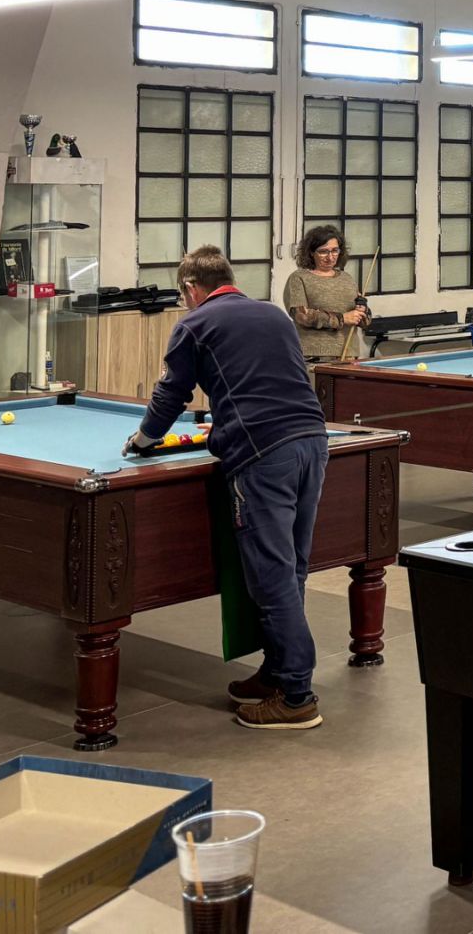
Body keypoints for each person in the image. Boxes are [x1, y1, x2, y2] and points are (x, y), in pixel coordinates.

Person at [125, 247, 335, 731]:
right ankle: (278, 673)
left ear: (190, 289)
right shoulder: (273, 314)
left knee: (271, 576)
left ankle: (297, 696)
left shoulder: (195, 324)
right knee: (292, 568)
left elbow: (171, 395)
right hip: (313, 441)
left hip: (262, 454)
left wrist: (143, 440)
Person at [282, 225, 369, 366]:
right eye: (323, 252)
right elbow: (302, 316)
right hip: (314, 356)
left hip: (349, 354)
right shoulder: (299, 278)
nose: (330, 257)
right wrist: (342, 318)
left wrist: (363, 311)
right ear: (311, 252)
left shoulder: (347, 278)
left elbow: (364, 321)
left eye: (335, 250)